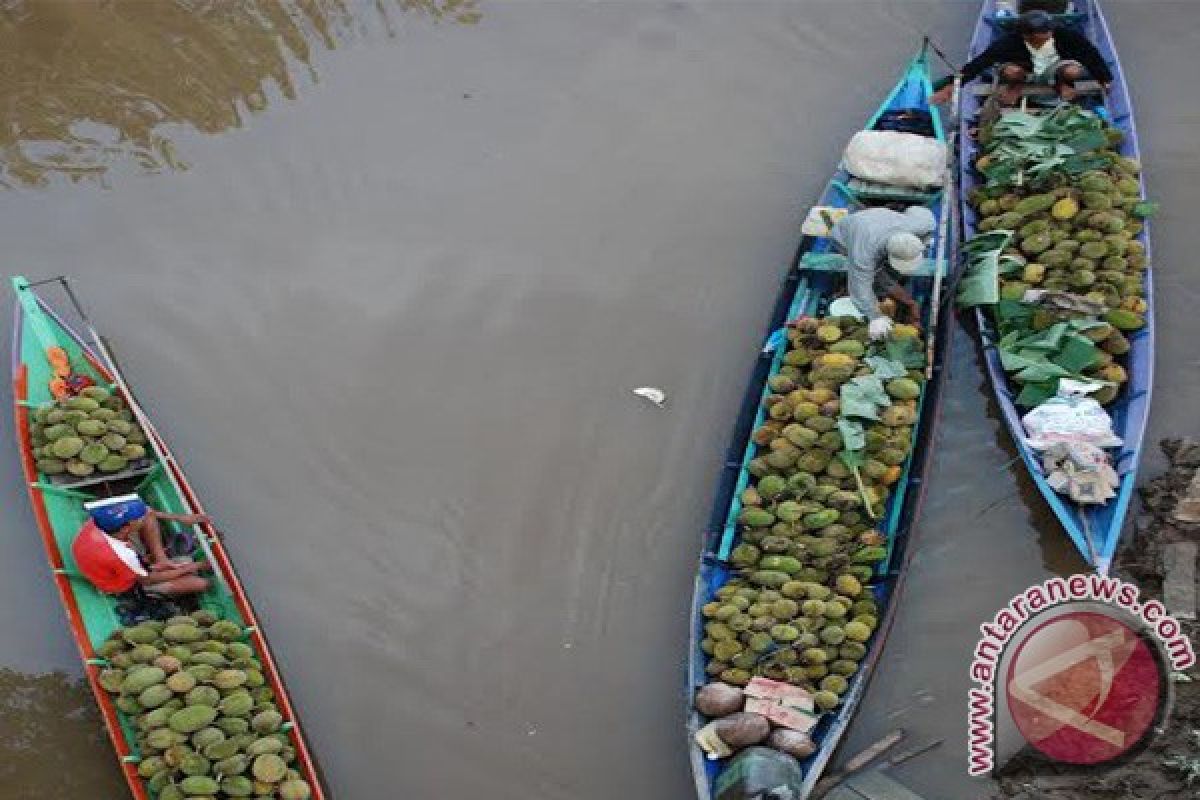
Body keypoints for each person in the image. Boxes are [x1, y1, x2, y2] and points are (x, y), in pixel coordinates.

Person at [931, 10, 1113, 107]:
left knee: (1073, 71)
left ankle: (1061, 84)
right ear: (1027, 36)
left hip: (1055, 68)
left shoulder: (1064, 35)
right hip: (1027, 71)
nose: (1049, 35)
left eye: (1049, 31)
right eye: (1044, 34)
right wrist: (951, 86)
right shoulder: (1009, 43)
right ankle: (1016, 86)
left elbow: (1089, 53)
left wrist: (1104, 77)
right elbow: (979, 63)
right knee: (1011, 72)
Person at [72, 493, 211, 596]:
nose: (142, 517)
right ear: (127, 527)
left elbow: (148, 512)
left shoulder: (98, 521)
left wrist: (180, 518)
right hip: (121, 583)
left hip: (111, 555)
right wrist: (193, 566)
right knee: (201, 583)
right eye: (137, 518)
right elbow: (147, 579)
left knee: (149, 516)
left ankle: (161, 559)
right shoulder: (122, 555)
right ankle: (150, 593)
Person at [830, 205, 935, 340]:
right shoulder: (863, 253)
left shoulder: (921, 224)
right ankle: (876, 293)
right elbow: (859, 288)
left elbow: (919, 211)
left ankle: (894, 294)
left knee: (887, 275)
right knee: (874, 276)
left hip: (880, 220)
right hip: (845, 234)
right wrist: (874, 317)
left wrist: (926, 239)